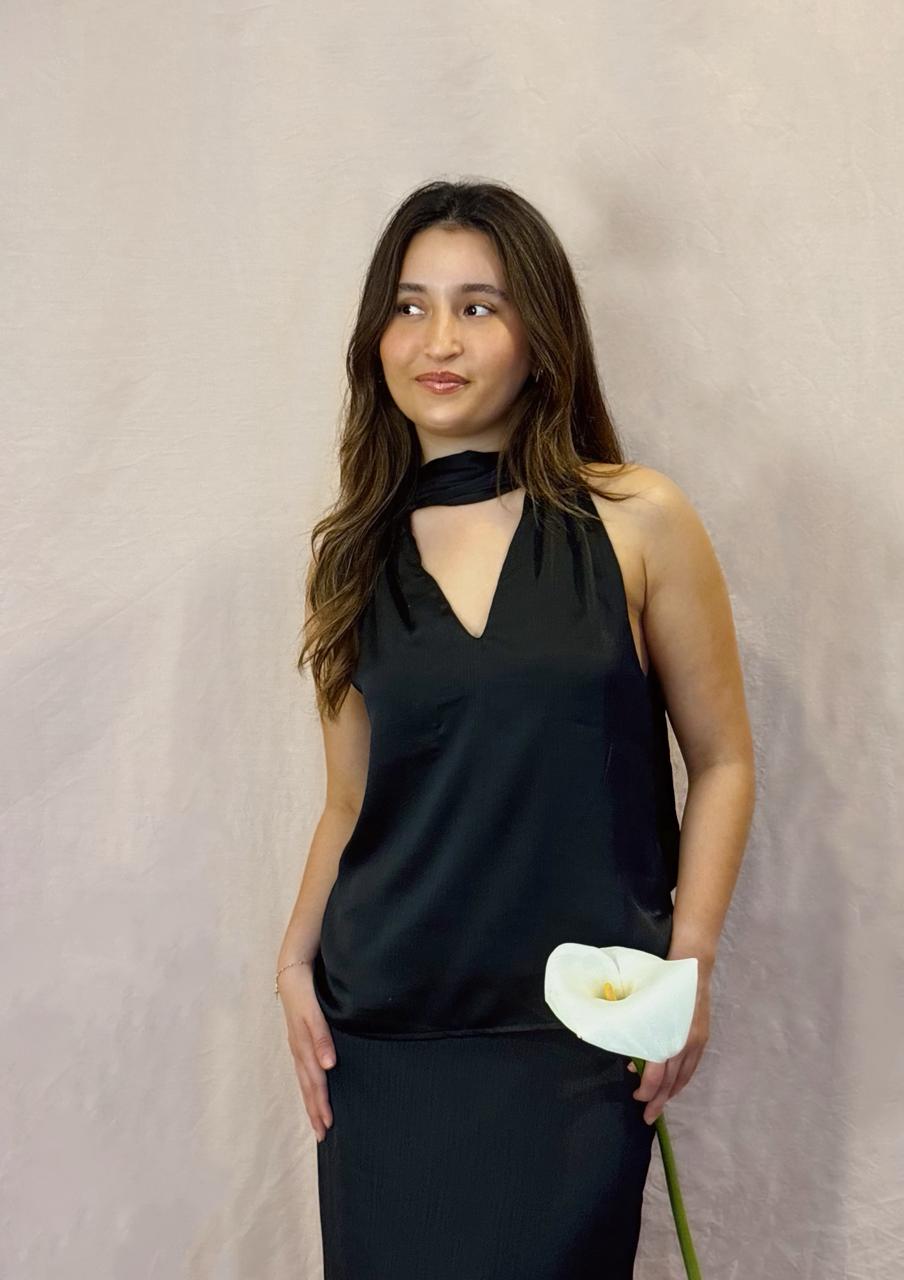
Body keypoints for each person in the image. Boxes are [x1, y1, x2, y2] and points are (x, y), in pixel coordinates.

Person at [277, 179, 755, 1279]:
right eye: (409, 306)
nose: (438, 339)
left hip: (578, 1028)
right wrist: (292, 959)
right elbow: (349, 801)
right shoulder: (350, 558)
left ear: (542, 337)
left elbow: (724, 759)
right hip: (386, 1029)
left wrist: (689, 963)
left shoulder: (636, 517)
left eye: (478, 307)